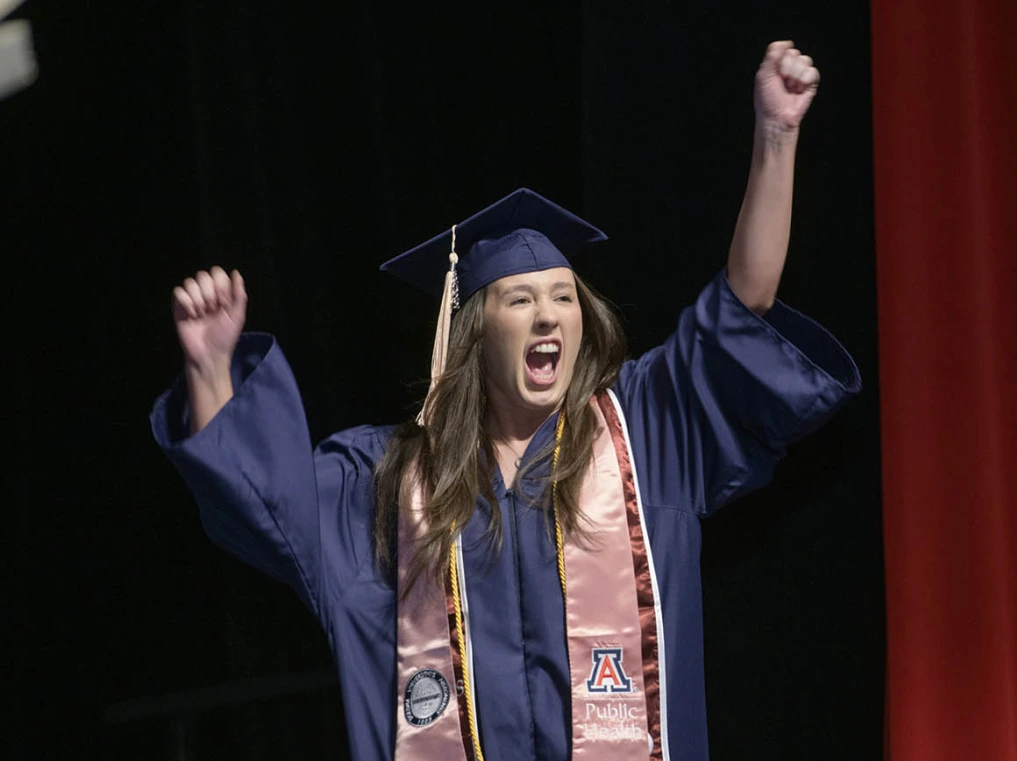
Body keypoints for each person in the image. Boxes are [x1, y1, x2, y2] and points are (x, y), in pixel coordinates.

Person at [152, 41, 860, 761]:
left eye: (563, 296)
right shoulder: (388, 481)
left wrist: (776, 135)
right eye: (520, 299)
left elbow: (740, 313)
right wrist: (212, 372)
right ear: (473, 335)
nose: (549, 314)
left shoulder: (644, 435)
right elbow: (266, 504)